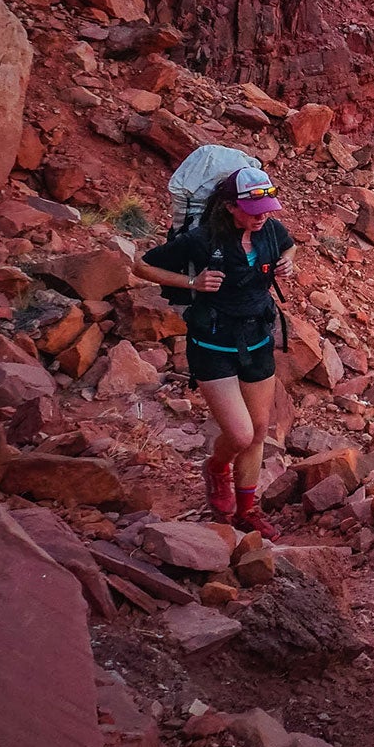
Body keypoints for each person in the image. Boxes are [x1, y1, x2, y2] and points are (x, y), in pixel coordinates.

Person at [133, 166, 296, 539]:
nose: (263, 218)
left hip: (258, 339)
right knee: (238, 435)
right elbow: (142, 265)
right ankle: (217, 467)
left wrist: (291, 260)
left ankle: (247, 510)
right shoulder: (203, 239)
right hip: (213, 344)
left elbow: (289, 244)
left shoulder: (269, 230)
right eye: (254, 212)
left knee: (258, 432)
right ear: (229, 207)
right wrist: (192, 282)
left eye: (267, 210)